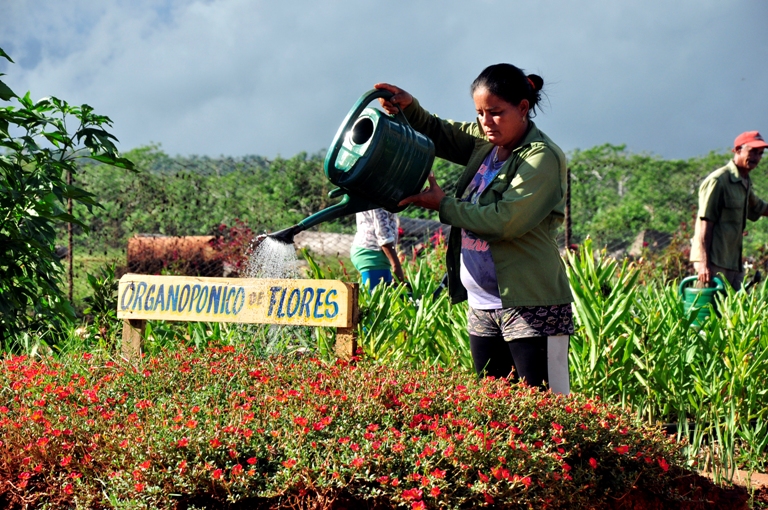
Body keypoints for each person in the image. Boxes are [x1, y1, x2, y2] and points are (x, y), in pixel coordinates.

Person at [374, 63, 573, 394]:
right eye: (480, 113)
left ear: (523, 108)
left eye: (495, 113)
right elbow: (439, 132)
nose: (486, 122)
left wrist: (443, 205)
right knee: (494, 413)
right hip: (483, 305)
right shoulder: (485, 144)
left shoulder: (542, 157)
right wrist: (409, 109)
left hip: (532, 306)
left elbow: (504, 221)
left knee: (546, 410)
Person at [690, 131, 768, 290]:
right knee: (707, 309)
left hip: (732, 260)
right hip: (713, 260)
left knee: (733, 309)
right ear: (738, 150)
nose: (756, 157)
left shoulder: (744, 181)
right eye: (752, 151)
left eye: (760, 153)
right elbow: (705, 223)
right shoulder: (718, 180)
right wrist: (704, 264)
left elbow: (759, 208)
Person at [350, 208, 405, 289]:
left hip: (375, 252)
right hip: (372, 254)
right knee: (375, 298)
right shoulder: (377, 198)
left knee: (380, 297)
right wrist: (396, 265)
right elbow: (383, 233)